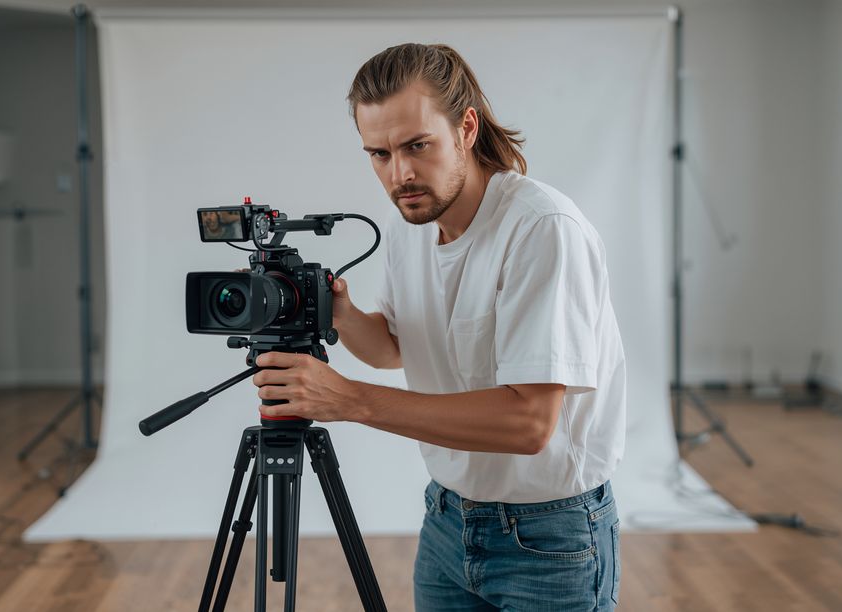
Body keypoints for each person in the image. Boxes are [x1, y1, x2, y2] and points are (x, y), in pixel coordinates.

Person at [251, 43, 626, 611]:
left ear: (466, 128)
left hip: (551, 539)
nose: (399, 174)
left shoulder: (541, 229)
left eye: (416, 146)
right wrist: (341, 312)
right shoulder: (412, 223)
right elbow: (395, 348)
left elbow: (529, 423)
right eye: (378, 154)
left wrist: (349, 400)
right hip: (447, 521)